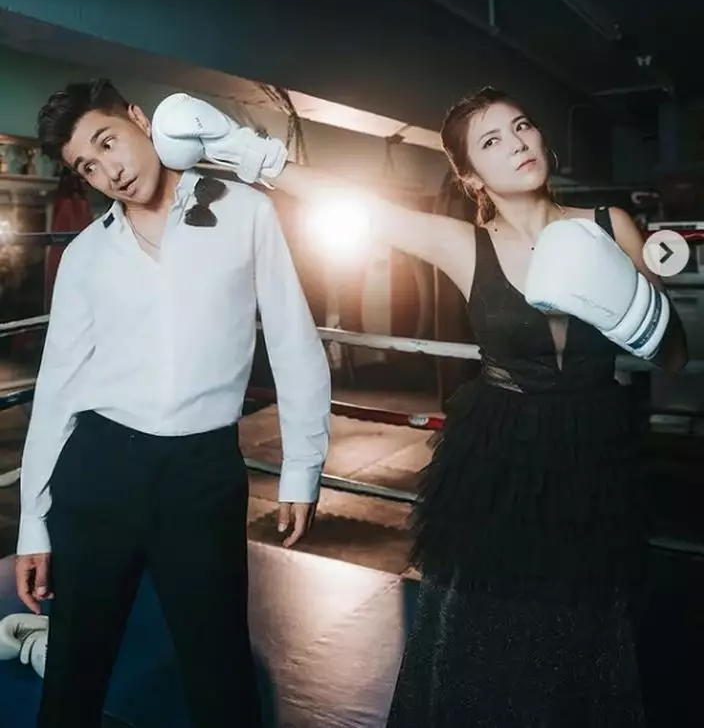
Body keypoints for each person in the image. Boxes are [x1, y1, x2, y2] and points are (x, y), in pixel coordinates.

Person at [151, 85, 687, 727]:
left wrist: (633, 303)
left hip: (595, 451)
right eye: (492, 141)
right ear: (471, 176)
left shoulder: (609, 224)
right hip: (502, 453)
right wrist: (246, 149)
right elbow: (364, 208)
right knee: (485, 632)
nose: (517, 144)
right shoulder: (465, 244)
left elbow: (675, 355)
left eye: (522, 126)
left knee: (589, 631)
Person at [15, 78, 331, 728]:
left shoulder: (247, 212)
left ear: (139, 117)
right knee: (72, 676)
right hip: (99, 468)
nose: (109, 171)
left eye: (107, 142)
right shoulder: (85, 255)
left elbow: (294, 341)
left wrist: (303, 465)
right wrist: (32, 523)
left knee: (221, 679)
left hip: (201, 475)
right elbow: (58, 390)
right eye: (87, 166)